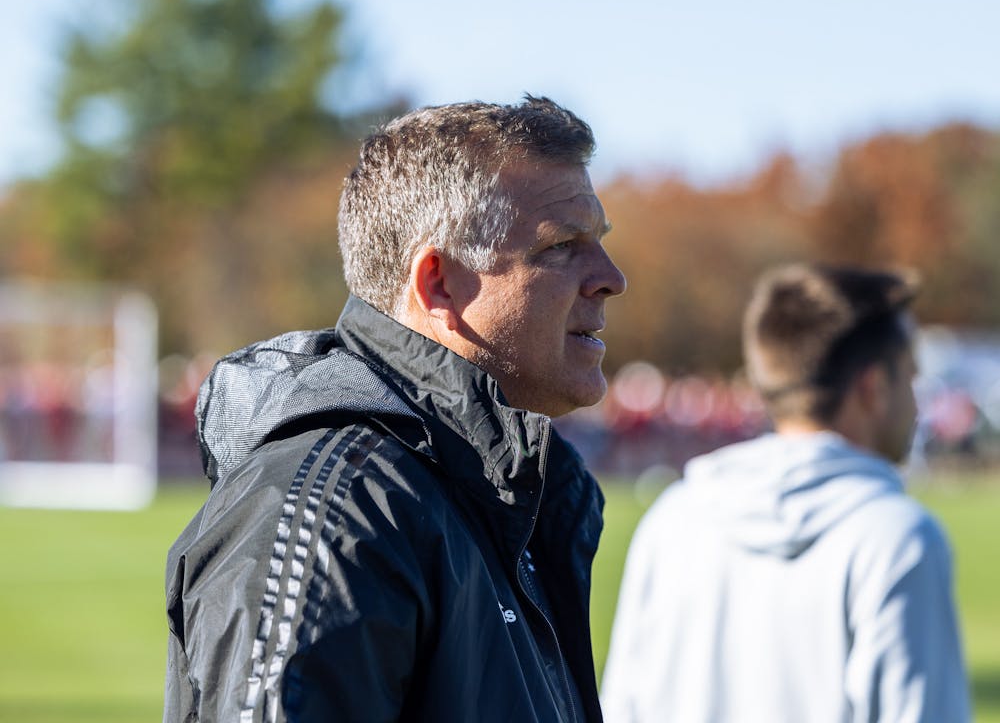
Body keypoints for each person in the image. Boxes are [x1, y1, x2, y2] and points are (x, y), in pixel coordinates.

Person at [163, 96, 627, 722]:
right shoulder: (337, 512)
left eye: (597, 242)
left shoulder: (494, 488)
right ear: (438, 283)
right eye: (561, 246)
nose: (610, 276)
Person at [600, 263, 971, 723]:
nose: (918, 403)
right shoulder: (895, 538)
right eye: (911, 378)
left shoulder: (673, 519)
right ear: (873, 387)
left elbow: (620, 708)